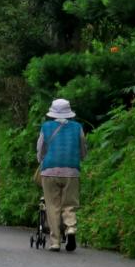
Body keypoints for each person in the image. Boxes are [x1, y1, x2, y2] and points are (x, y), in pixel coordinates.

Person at [36, 98, 87, 252]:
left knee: (52, 205)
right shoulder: (78, 127)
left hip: (49, 170)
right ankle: (70, 228)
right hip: (71, 170)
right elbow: (83, 150)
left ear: (52, 113)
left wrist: (42, 161)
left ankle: (55, 242)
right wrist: (79, 159)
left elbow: (40, 150)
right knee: (69, 203)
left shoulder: (46, 127)